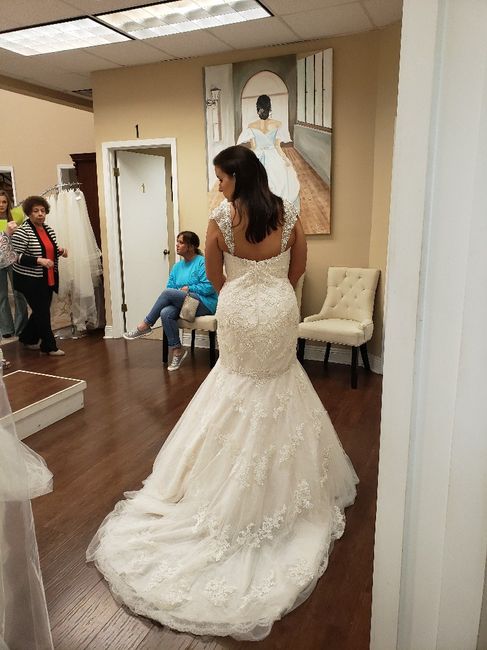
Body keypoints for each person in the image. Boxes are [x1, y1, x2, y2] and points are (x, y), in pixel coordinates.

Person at [87, 145, 357, 640]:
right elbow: (297, 269)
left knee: (234, 383)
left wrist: (245, 288)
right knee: (279, 382)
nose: (218, 186)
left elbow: (215, 278)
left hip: (238, 311)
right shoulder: (288, 213)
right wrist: (271, 288)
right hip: (278, 309)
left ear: (238, 177)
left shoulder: (219, 221)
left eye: (221, 178)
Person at [0, 232, 54, 650]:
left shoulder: (40, 230)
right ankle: (36, 339)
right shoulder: (18, 232)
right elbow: (14, 257)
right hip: (30, 275)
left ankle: (39, 339)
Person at [123, 231, 218, 371]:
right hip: (185, 304)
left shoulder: (202, 262)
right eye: (177, 242)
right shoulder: (177, 267)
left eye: (181, 242)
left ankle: (145, 325)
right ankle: (177, 351)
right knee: (165, 312)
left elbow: (210, 287)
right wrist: (180, 293)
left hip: (204, 304)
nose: (177, 245)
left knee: (167, 294)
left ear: (191, 246)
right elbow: (171, 288)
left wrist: (189, 288)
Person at [11, 196, 68, 357]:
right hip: (29, 280)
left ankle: (27, 338)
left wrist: (60, 251)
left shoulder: (48, 229)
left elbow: (48, 249)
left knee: (40, 311)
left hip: (48, 277)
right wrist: (38, 260)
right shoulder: (22, 231)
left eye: (42, 211)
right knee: (42, 312)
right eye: (36, 211)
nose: (40, 214)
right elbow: (15, 256)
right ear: (29, 213)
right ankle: (49, 346)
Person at [237, 94, 300, 210]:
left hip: (257, 155)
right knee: (280, 181)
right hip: (273, 156)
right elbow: (277, 146)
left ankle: (261, 210)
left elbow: (254, 147)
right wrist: (285, 159)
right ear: (269, 108)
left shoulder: (251, 126)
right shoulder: (277, 124)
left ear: (257, 109)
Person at [0, 190, 28, 340]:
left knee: (19, 293)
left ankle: (21, 327)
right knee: (1, 296)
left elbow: (23, 236)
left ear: (8, 203)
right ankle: (6, 328)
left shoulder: (17, 216)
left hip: (14, 259)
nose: (1, 205)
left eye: (4, 201)